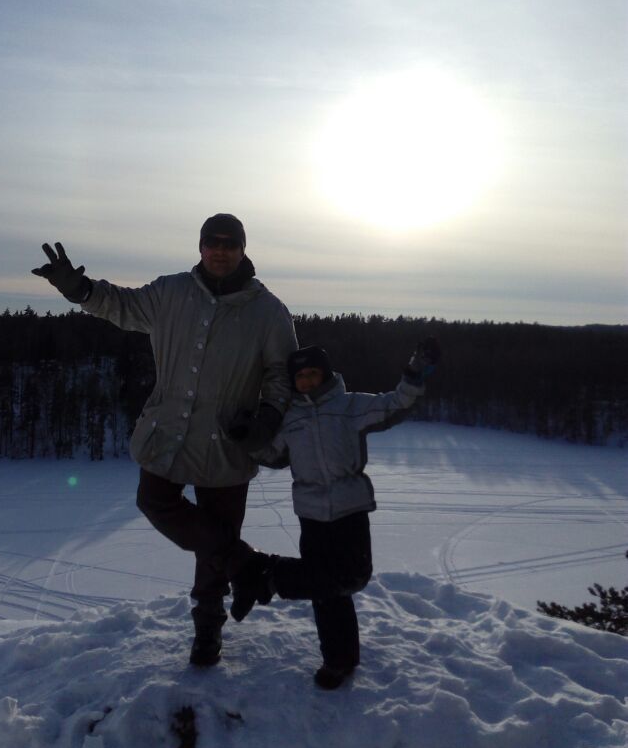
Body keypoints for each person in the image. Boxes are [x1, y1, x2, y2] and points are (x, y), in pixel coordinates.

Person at [32, 213, 297, 667]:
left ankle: (208, 631)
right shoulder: (171, 292)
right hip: (167, 431)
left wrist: (268, 416)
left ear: (242, 249)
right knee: (157, 502)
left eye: (228, 243)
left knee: (216, 536)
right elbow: (122, 306)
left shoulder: (267, 311)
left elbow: (282, 374)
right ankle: (246, 565)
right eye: (211, 242)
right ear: (199, 247)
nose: (219, 250)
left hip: (228, 440)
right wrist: (77, 289)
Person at [228, 338, 440, 690]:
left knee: (352, 577)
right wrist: (244, 435)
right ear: (294, 382)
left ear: (325, 374)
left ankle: (263, 574)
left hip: (349, 509)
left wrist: (414, 374)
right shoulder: (290, 419)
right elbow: (271, 454)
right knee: (327, 590)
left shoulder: (349, 406)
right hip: (311, 515)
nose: (308, 381)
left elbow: (395, 404)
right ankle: (339, 660)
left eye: (313, 373)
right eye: (301, 377)